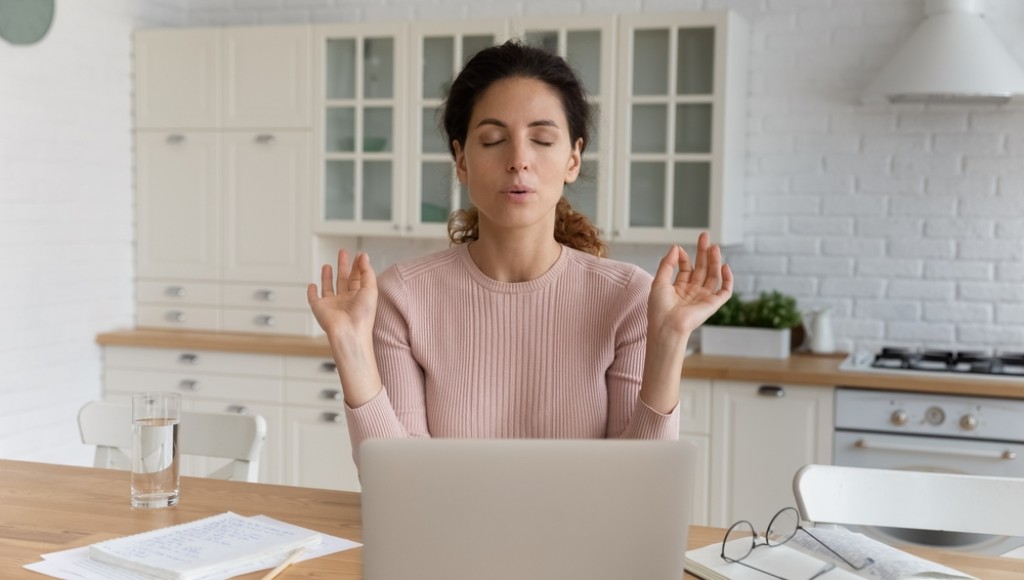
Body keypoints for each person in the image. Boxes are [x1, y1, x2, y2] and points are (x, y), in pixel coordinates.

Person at [307, 40, 733, 468]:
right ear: (461, 160)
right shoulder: (404, 296)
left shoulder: (628, 298)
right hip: (450, 535)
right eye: (493, 140)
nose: (519, 160)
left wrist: (671, 339)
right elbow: (398, 481)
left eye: (543, 139)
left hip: (586, 536)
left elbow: (641, 486)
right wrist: (349, 344)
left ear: (573, 159)